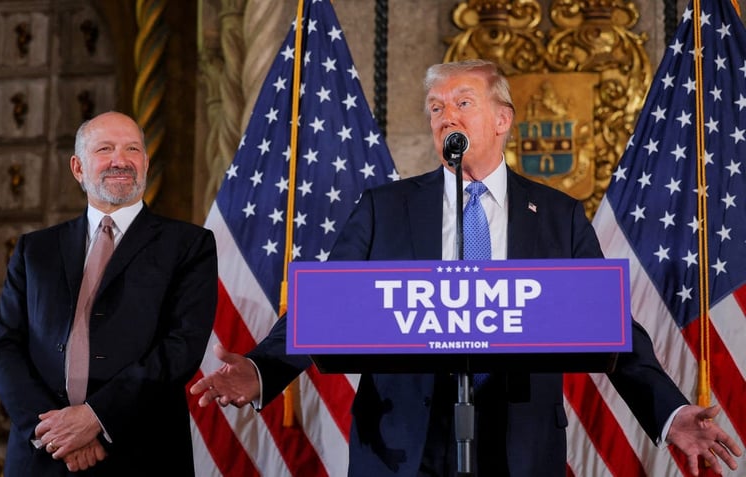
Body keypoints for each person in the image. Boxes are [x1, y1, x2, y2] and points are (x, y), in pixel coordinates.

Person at [190, 60, 742, 476]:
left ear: (502, 119)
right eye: (435, 107)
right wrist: (262, 370)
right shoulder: (385, 208)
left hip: (519, 442)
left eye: (461, 102)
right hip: (402, 441)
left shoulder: (557, 215)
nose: (445, 115)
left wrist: (669, 414)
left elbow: (610, 325)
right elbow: (328, 308)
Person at [0, 111, 218, 476]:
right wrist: (52, 432)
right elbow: (5, 346)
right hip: (42, 456)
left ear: (145, 162)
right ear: (78, 168)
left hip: (140, 453)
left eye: (132, 149)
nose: (120, 160)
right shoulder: (36, 250)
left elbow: (180, 347)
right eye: (105, 149)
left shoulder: (189, 246)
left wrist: (97, 418)